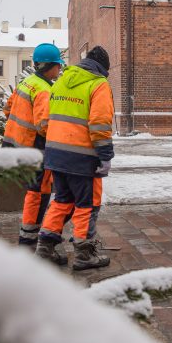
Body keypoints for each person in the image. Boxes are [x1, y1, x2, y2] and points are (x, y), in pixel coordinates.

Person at [36, 46, 114, 270]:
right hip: (82, 156)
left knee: (61, 201)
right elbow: (100, 125)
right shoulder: (98, 84)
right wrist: (105, 155)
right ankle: (84, 253)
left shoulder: (61, 81)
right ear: (103, 68)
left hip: (55, 154)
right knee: (85, 205)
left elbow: (46, 119)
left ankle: (45, 247)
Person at [1, 43, 64, 253]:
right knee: (38, 194)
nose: (60, 70)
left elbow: (7, 109)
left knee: (33, 192)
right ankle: (28, 241)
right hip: (35, 150)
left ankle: (28, 238)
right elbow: (44, 125)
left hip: (15, 146)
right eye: (58, 66)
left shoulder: (27, 82)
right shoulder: (45, 89)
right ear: (49, 66)